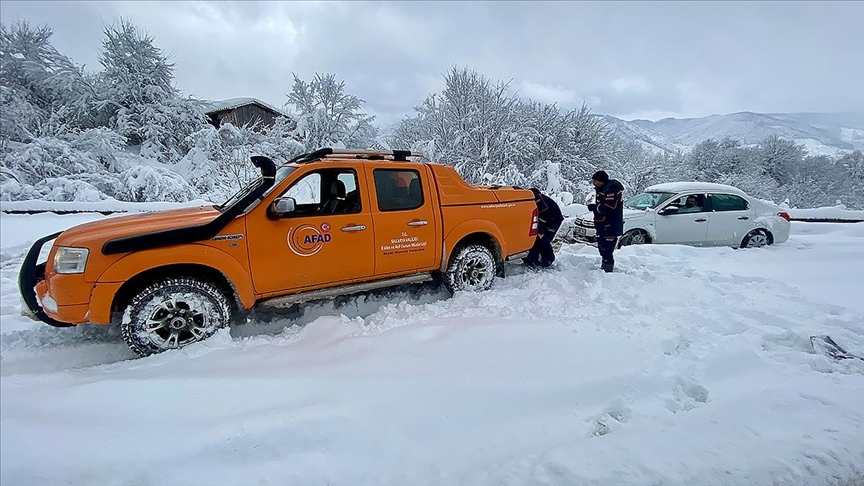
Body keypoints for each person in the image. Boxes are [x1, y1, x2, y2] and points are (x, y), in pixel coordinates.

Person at [587, 170, 624, 273]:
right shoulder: (602, 189)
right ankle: (605, 268)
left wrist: (596, 207)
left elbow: (610, 207)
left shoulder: (611, 190)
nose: (593, 183)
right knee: (602, 247)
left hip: (610, 225)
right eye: (593, 180)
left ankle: (607, 272)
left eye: (595, 180)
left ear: (601, 181)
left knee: (607, 249)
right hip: (602, 224)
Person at [523, 188, 564, 268]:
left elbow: (544, 215)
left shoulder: (537, 199)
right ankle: (535, 259)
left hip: (553, 221)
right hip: (547, 219)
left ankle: (547, 260)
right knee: (538, 239)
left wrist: (540, 230)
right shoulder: (533, 198)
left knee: (543, 239)